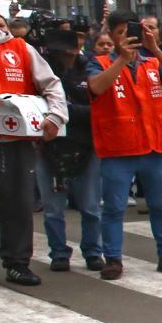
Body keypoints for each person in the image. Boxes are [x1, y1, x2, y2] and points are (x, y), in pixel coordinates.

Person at [87, 11, 162, 279]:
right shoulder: (99, 62)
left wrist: (155, 47)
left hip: (154, 146)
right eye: (120, 32)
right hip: (119, 149)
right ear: (111, 35)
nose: (127, 37)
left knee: (160, 205)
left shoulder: (152, 62)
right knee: (114, 208)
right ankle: (113, 259)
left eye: (130, 31)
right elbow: (96, 88)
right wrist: (122, 59)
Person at [0, 12, 67, 285]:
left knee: (18, 204)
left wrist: (55, 117)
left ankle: (17, 263)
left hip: (14, 141)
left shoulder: (20, 49)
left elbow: (52, 84)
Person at [34, 26, 102, 273]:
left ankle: (93, 251)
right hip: (49, 147)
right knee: (52, 208)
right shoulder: (41, 72)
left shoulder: (90, 69)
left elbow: (100, 109)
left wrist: (68, 111)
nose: (58, 56)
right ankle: (59, 252)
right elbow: (36, 107)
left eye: (62, 51)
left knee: (91, 206)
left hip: (86, 145)